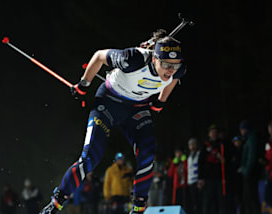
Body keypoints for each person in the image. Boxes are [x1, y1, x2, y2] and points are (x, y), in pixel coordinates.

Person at [39, 29, 187, 214]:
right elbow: (99, 56)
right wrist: (84, 84)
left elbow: (175, 79)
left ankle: (138, 208)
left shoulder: (177, 69)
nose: (170, 70)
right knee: (90, 158)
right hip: (110, 102)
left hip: (137, 109)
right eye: (166, 65)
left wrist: (160, 101)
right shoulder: (133, 59)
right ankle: (55, 203)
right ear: (155, 59)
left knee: (147, 155)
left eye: (175, 64)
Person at [197, 125, 225, 214]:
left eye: (215, 132)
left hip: (220, 177)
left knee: (220, 200)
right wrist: (200, 178)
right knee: (208, 200)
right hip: (208, 178)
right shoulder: (205, 146)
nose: (214, 134)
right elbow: (200, 163)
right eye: (212, 132)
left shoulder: (222, 144)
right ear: (209, 134)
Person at [238, 120, 261, 214]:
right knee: (247, 197)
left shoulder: (252, 139)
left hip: (250, 173)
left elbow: (251, 157)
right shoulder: (247, 139)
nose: (241, 131)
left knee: (251, 197)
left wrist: (245, 170)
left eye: (242, 129)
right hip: (248, 172)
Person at [186, 138, 201, 214]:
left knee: (199, 201)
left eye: (193, 144)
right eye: (190, 145)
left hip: (198, 181)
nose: (192, 146)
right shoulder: (189, 156)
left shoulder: (199, 154)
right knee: (192, 201)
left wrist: (200, 179)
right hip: (190, 181)